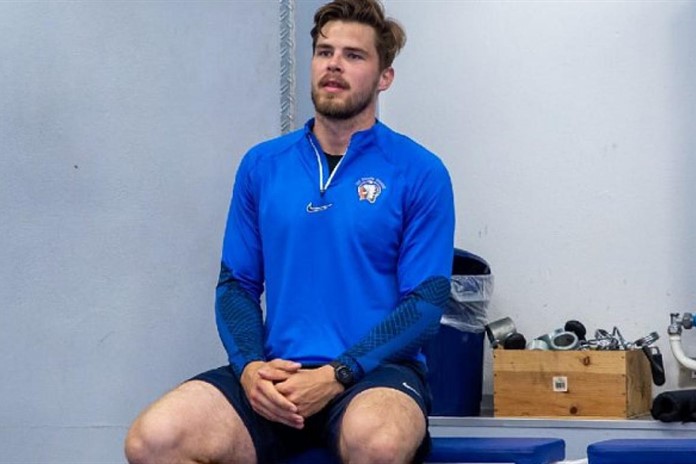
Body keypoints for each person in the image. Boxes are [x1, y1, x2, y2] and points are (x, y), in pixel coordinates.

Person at [125, 0, 454, 462]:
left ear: (385, 77)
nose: (334, 64)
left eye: (354, 55)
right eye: (324, 52)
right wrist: (249, 368)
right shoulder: (263, 165)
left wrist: (338, 373)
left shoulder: (419, 171)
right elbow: (236, 285)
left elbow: (425, 303)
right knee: (154, 439)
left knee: (377, 444)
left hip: (374, 376)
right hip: (278, 376)